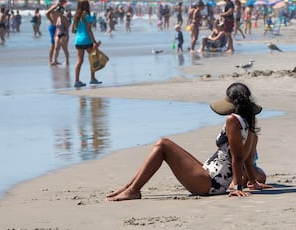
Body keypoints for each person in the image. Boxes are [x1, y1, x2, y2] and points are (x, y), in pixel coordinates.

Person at [106, 83, 265, 201]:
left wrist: (237, 187)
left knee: (163, 144)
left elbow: (237, 158)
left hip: (210, 183)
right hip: (210, 176)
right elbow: (249, 161)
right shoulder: (250, 128)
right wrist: (254, 183)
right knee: (166, 145)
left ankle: (133, 189)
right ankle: (129, 187)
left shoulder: (233, 120)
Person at [71, 0, 101, 88]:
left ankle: (76, 81)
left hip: (78, 41)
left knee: (79, 61)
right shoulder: (86, 16)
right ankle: (92, 79)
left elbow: (73, 30)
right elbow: (89, 30)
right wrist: (94, 42)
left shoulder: (75, 16)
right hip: (87, 40)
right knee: (93, 59)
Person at [46, 0, 67, 65]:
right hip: (53, 27)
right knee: (53, 44)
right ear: (61, 2)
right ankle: (50, 60)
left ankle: (55, 60)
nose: (64, 4)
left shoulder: (62, 8)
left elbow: (63, 17)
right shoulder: (54, 7)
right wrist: (51, 20)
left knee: (58, 45)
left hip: (59, 27)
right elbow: (47, 13)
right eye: (64, 2)